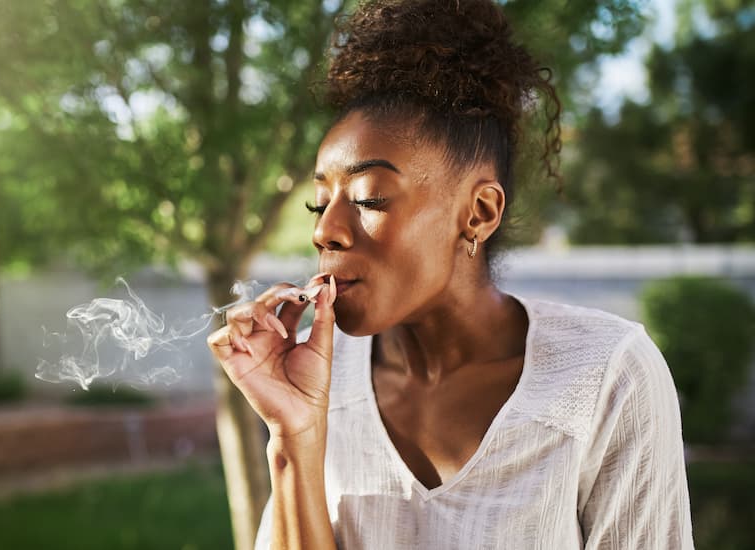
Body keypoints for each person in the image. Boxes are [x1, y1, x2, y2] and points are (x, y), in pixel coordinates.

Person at [207, 0, 694, 548]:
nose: (327, 232)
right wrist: (294, 436)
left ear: (479, 213)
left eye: (369, 198)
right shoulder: (319, 379)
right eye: (320, 205)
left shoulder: (606, 376)